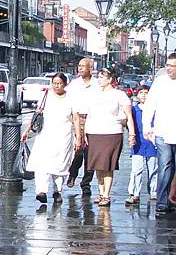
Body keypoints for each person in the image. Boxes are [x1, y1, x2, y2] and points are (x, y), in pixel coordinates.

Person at [21, 73, 82, 204]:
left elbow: (76, 118)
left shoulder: (72, 98)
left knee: (60, 164)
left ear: (65, 84)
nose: (57, 86)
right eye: (54, 83)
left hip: (64, 135)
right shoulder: (46, 95)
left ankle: (57, 191)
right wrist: (27, 130)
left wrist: (78, 137)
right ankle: (41, 191)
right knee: (42, 163)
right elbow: (37, 114)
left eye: (59, 83)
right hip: (45, 134)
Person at [83, 67, 135, 207]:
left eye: (102, 77)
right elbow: (89, 114)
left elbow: (129, 116)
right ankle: (100, 192)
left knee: (107, 164)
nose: (99, 79)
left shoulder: (119, 95)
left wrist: (132, 133)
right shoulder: (93, 94)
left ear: (110, 79)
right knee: (97, 165)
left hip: (112, 133)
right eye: (98, 76)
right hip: (94, 132)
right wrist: (85, 132)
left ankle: (107, 194)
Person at [145, 53, 176, 216]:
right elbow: (150, 105)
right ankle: (162, 202)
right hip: (163, 130)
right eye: (168, 65)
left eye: (172, 66)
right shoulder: (160, 82)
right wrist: (147, 125)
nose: (169, 69)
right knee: (165, 164)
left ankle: (172, 198)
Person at [65, 58, 98, 197]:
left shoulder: (97, 84)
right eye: (79, 66)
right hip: (77, 119)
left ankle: (86, 183)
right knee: (78, 150)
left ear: (90, 68)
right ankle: (73, 173)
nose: (80, 68)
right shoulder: (74, 85)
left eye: (83, 66)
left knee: (91, 154)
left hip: (93, 119)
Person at [125, 85, 157, 205]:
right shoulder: (134, 109)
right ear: (137, 94)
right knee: (136, 169)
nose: (144, 95)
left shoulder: (155, 109)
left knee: (153, 169)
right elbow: (129, 123)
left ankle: (154, 191)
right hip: (138, 142)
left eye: (146, 92)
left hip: (152, 142)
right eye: (141, 92)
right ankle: (134, 193)